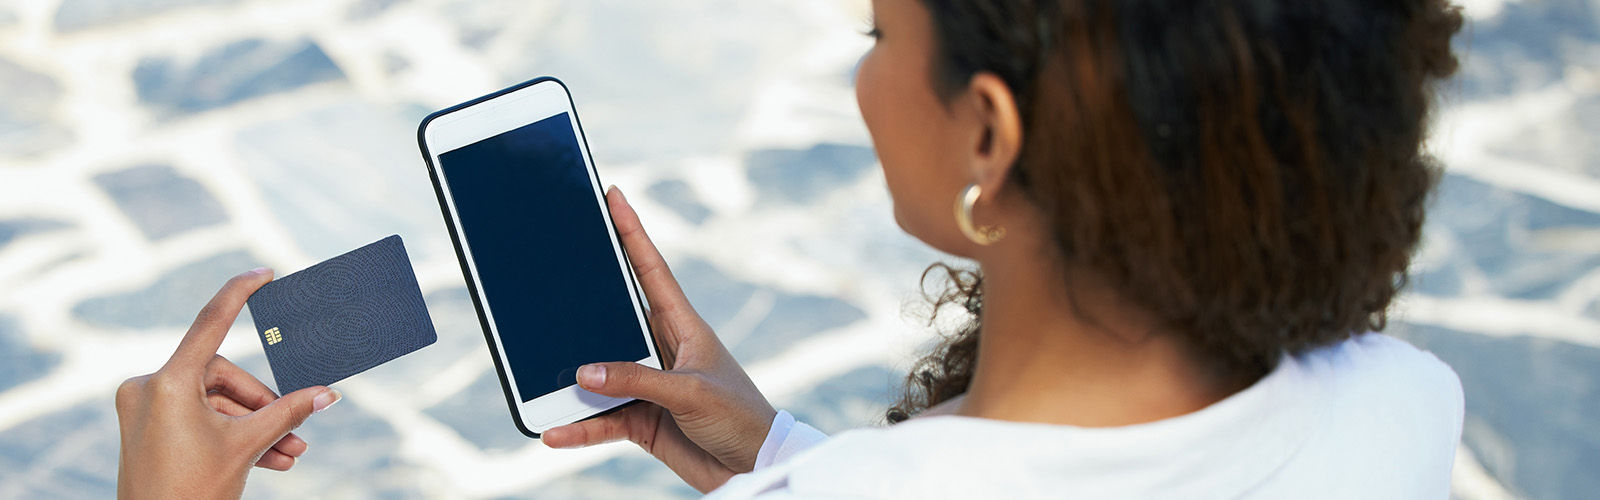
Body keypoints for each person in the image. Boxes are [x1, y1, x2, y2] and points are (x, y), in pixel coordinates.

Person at [114, 0, 1468, 498]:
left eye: (882, 36)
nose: (865, 74)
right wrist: (785, 458)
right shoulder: (1400, 402)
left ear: (988, 135)